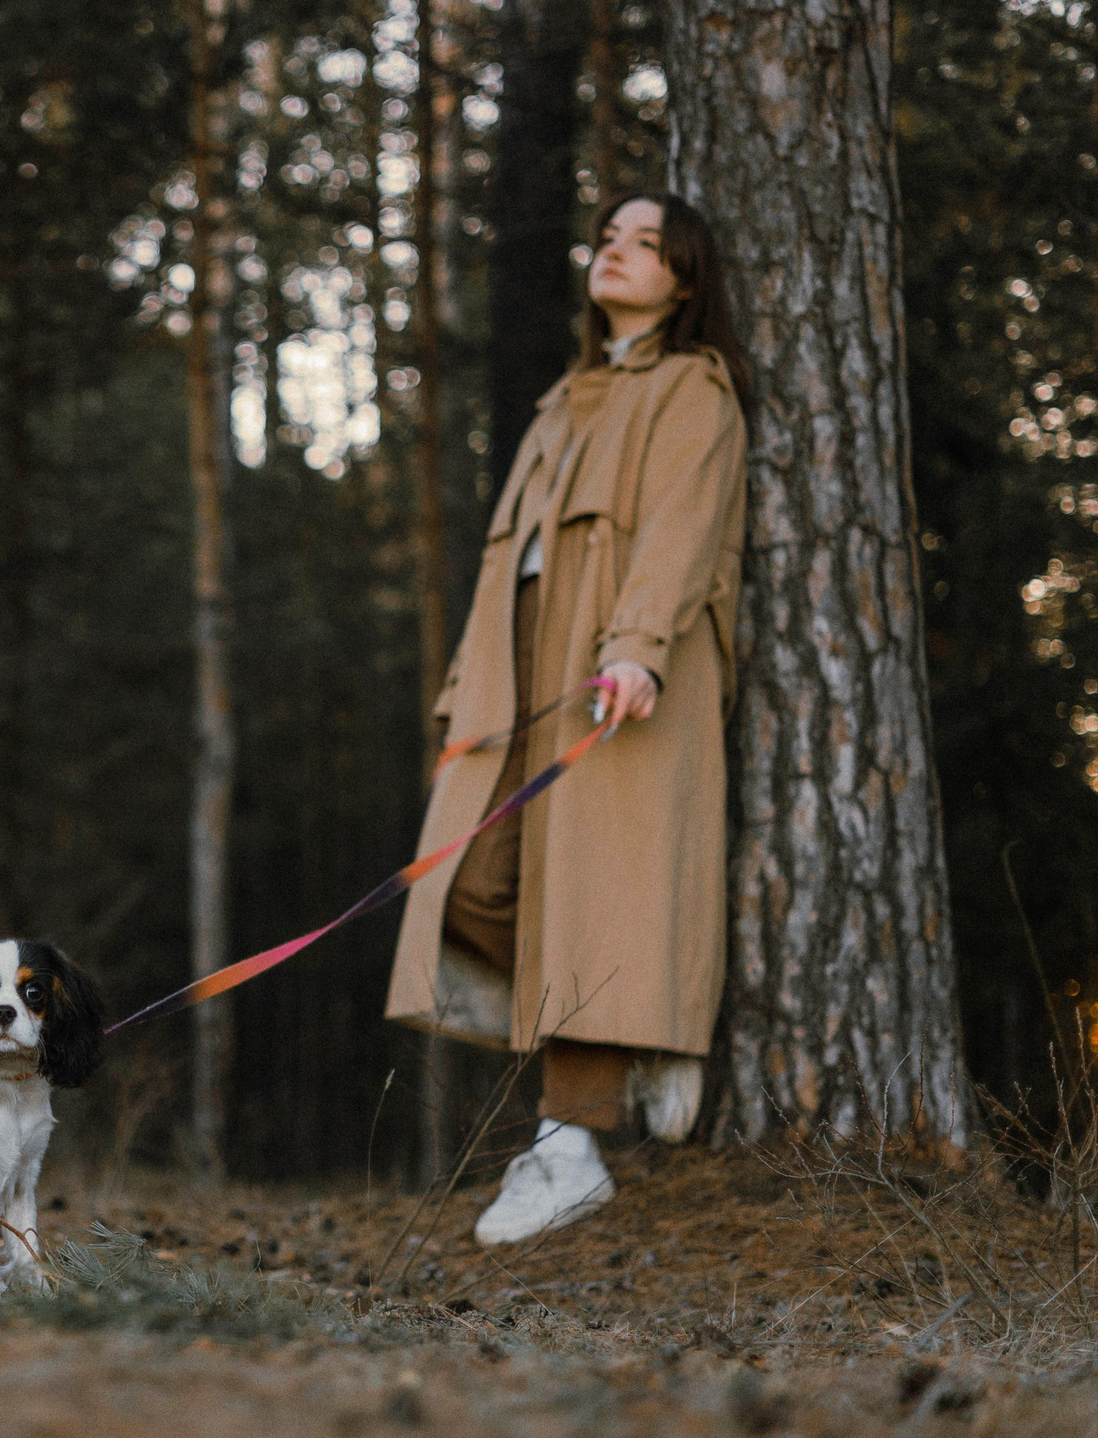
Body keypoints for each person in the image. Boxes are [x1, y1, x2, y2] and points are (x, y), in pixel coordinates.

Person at [386, 192, 752, 1245]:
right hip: (523, 669)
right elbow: (509, 560)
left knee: (601, 901)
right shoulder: (566, 398)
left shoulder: (695, 387)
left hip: (616, 663)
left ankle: (570, 1142)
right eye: (607, 237)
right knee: (475, 881)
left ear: (683, 281)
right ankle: (626, 1056)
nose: (616, 252)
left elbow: (680, 531)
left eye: (645, 244)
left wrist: (636, 646)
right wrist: (465, 690)